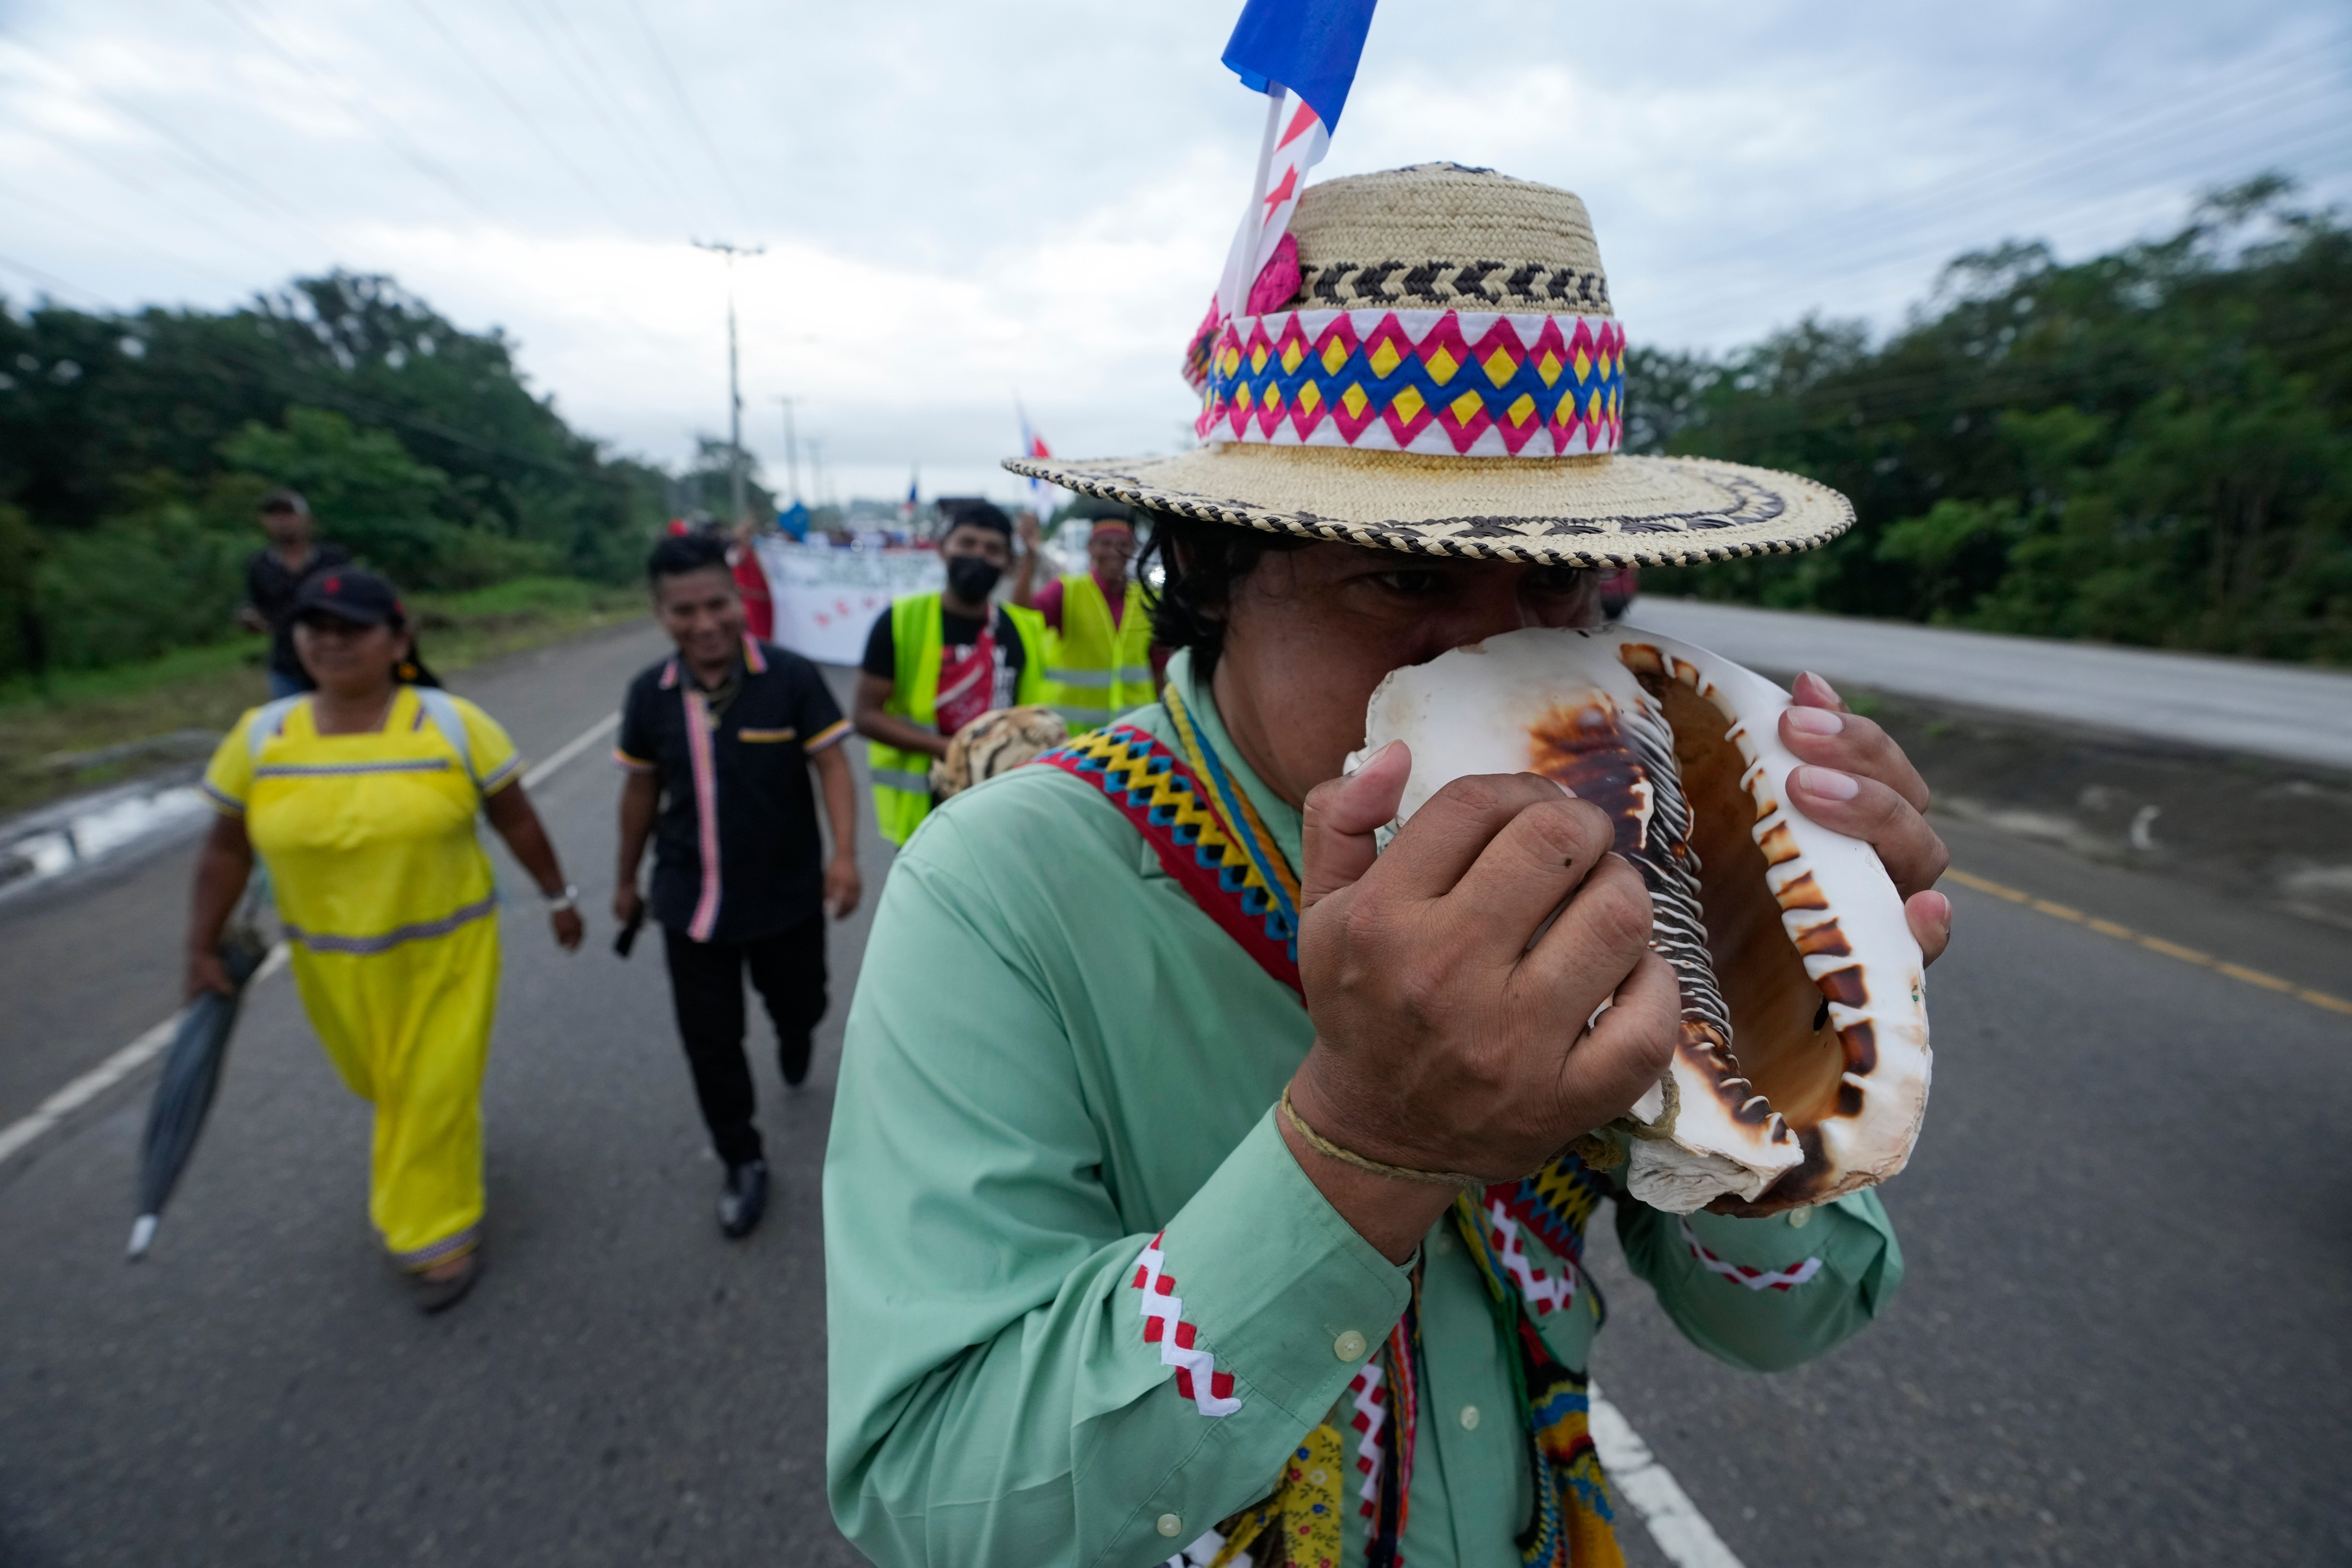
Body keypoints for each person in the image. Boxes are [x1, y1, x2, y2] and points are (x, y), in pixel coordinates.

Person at [825, 165, 1955, 1566]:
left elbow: (1783, 1321)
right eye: (1406, 579)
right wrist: (1369, 1147)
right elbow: (933, 1492)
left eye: (1552, 586)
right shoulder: (1005, 888)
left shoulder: (1625, 819)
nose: (1501, 656)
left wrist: (1788, 1001)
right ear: (1217, 571)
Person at [187, 569, 583, 1313]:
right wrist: (200, 947)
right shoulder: (263, 737)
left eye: (353, 628)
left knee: (426, 1090)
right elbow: (226, 850)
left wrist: (559, 898)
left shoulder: (454, 725)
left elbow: (517, 819)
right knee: (385, 1086)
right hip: (329, 964)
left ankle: (434, 1236)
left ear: (400, 640)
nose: (332, 643)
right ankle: (439, 1159)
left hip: (448, 954)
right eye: (316, 628)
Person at [614, 534, 861, 1238]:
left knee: (803, 1002)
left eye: (717, 604)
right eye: (683, 611)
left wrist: (844, 855)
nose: (705, 624)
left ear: (739, 599)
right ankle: (741, 1158)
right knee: (711, 1043)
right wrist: (624, 880)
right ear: (662, 615)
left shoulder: (790, 678)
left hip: (786, 899)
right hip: (689, 905)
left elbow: (833, 768)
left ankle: (796, 1035)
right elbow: (638, 791)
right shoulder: (649, 695)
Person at [851, 498, 1048, 845]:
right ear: (943, 550)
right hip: (924, 814)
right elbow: (866, 716)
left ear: (1007, 564)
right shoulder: (900, 620)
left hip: (1001, 807)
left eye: (993, 549)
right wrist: (951, 748)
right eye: (967, 544)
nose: (979, 556)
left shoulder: (1024, 630)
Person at [1010, 501, 1160, 733]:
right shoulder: (1067, 590)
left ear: (1134, 551)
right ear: (1090, 548)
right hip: (1072, 735)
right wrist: (1030, 557)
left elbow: (1159, 667)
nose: (1114, 552)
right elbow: (1022, 612)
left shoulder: (1149, 599)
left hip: (1132, 736)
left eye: (1123, 545)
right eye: (1105, 544)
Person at [237, 489, 351, 700]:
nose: (283, 522)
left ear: (305, 519)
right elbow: (254, 602)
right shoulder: (259, 565)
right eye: (275, 516)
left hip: (333, 658)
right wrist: (250, 617)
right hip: (286, 663)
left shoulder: (332, 560)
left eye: (289, 514)